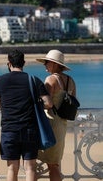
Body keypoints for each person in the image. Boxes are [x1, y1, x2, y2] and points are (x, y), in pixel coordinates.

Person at [0, 49, 53, 181]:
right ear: (24, 63)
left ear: (9, 64)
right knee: (30, 168)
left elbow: (0, 102)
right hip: (29, 129)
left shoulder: (1, 80)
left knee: (11, 168)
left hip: (9, 129)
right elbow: (48, 103)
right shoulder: (33, 80)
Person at [36, 49, 77, 181]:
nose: (45, 65)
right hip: (62, 124)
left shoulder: (51, 79)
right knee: (55, 163)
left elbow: (45, 102)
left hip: (50, 124)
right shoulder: (70, 81)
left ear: (54, 64)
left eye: (47, 62)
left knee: (50, 165)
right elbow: (73, 101)